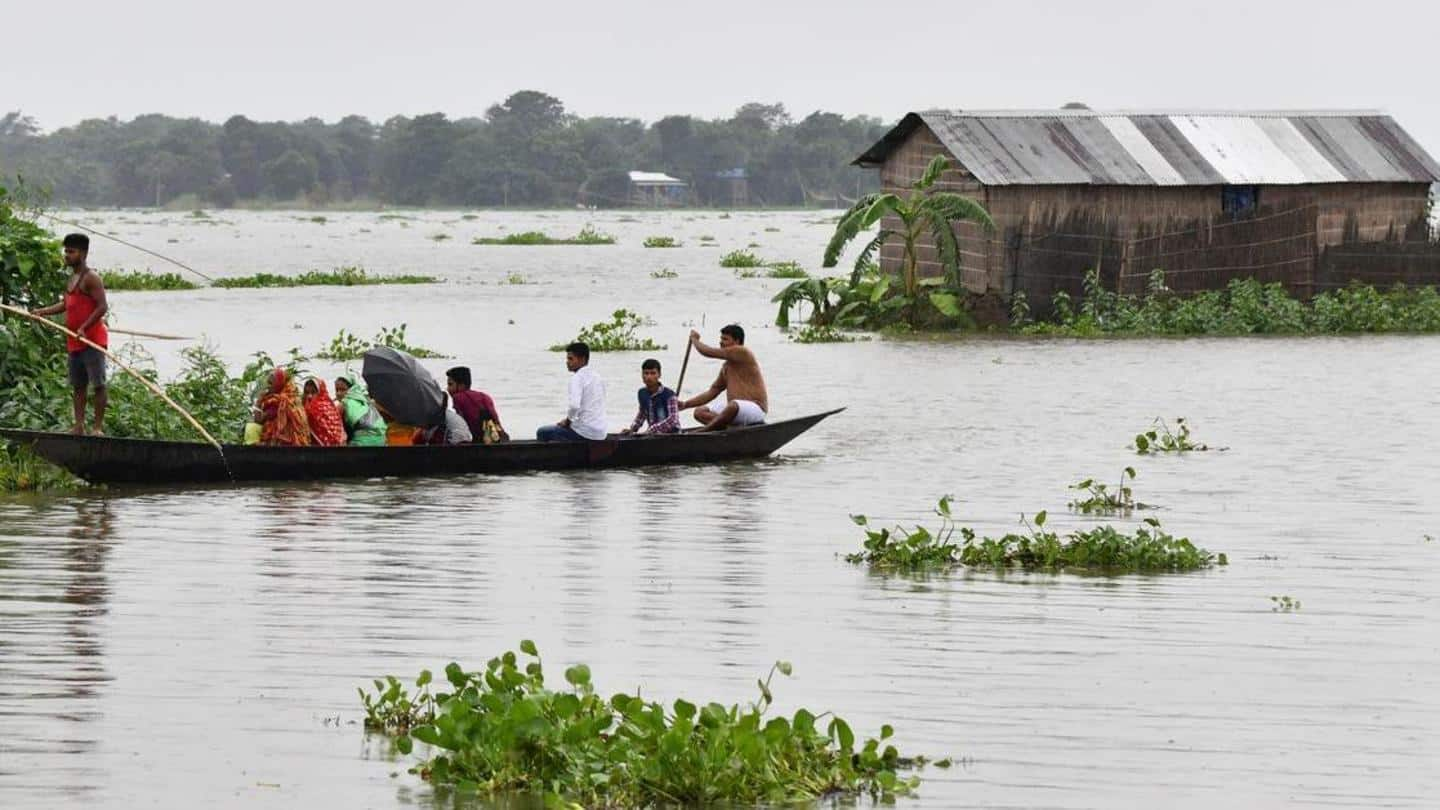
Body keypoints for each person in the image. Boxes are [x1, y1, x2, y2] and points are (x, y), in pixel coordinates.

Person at [29, 233, 109, 435]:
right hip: (74, 342)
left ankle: (97, 428)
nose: (66, 256)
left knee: (98, 384)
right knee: (78, 386)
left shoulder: (91, 278)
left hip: (92, 341)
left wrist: (84, 327)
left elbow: (102, 307)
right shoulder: (71, 278)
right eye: (65, 251)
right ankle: (79, 425)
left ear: (83, 253)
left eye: (71, 252)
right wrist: (42, 312)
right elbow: (66, 304)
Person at [679, 324, 769, 432]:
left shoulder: (743, 352)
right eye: (721, 339)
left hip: (756, 409)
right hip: (736, 411)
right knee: (699, 412)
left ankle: (704, 431)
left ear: (737, 341)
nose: (721, 342)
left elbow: (707, 352)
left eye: (725, 339)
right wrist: (685, 404)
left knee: (733, 405)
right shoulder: (726, 367)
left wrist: (695, 340)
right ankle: (728, 428)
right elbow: (712, 392)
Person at [536, 341, 607, 442]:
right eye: (567, 359)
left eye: (570, 358)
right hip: (601, 433)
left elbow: (574, 406)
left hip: (585, 433)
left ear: (582, 359)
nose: (567, 362)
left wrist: (567, 422)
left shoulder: (577, 378)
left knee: (542, 432)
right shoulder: (598, 377)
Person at [446, 366, 508, 444]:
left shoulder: (458, 397)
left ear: (461, 385)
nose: (447, 388)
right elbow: (495, 419)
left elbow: (461, 423)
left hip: (475, 439)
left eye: (450, 384)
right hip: (491, 437)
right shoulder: (485, 396)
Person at [620, 358, 680, 436]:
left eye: (653, 373)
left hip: (671, 435)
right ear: (642, 375)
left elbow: (673, 420)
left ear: (659, 375)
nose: (649, 377)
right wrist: (632, 429)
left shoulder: (669, 394)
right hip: (653, 435)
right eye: (646, 373)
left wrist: (653, 429)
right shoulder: (642, 393)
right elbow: (642, 414)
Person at [256, 369, 312, 446]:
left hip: (286, 443)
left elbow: (258, 420)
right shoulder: (294, 398)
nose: (268, 387)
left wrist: (258, 403)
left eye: (270, 383)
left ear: (279, 383)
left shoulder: (279, 402)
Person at [333, 373, 388, 446]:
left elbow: (336, 429)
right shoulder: (366, 401)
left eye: (343, 390)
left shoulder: (343, 404)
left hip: (362, 443)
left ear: (352, 389)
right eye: (337, 390)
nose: (339, 393)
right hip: (382, 441)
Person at [302, 378, 347, 446]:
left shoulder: (313, 410)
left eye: (313, 392)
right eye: (307, 392)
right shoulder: (331, 406)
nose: (309, 396)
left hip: (323, 450)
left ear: (321, 392)